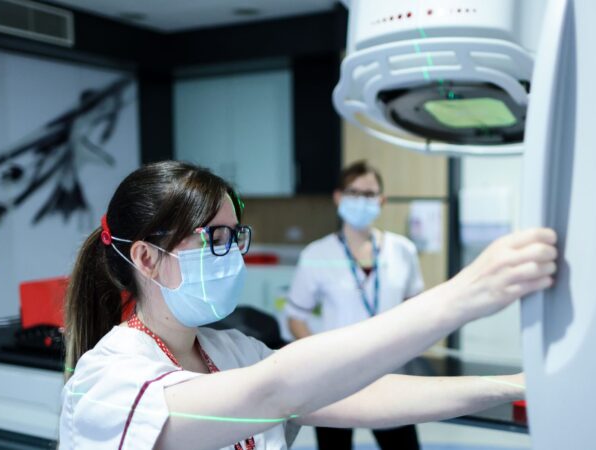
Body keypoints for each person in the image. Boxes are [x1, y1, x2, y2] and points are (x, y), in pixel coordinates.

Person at [59, 161, 558, 450]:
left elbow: (371, 396)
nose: (230, 254)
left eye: (235, 238)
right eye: (213, 238)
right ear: (146, 257)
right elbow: (274, 392)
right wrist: (464, 296)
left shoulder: (231, 351)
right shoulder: (106, 381)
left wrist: (516, 385)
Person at [286, 161, 425, 449]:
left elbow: (415, 308)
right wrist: (322, 358)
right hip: (334, 379)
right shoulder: (317, 254)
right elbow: (295, 317)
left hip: (390, 374)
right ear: (338, 197)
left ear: (382, 201)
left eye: (370, 194)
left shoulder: (403, 251)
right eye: (354, 192)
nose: (362, 200)